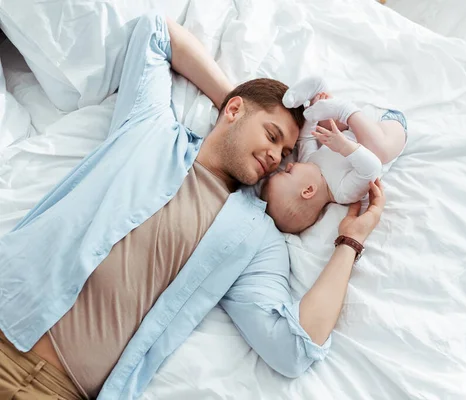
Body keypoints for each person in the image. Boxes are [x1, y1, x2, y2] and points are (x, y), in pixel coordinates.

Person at [0, 12, 385, 400]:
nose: (275, 156)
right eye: (271, 135)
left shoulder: (253, 236)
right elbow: (155, 32)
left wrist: (349, 244)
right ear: (234, 111)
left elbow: (292, 348)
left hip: (59, 391)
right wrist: (234, 98)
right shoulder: (150, 129)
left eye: (286, 153)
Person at [262, 77, 407, 233]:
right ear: (308, 190)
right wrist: (344, 147)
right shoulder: (343, 192)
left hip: (358, 124)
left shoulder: (307, 162)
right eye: (287, 172)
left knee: (321, 125)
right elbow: (372, 168)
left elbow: (307, 137)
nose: (289, 164)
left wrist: (311, 114)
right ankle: (345, 109)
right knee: (379, 152)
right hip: (388, 129)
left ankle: (317, 90)